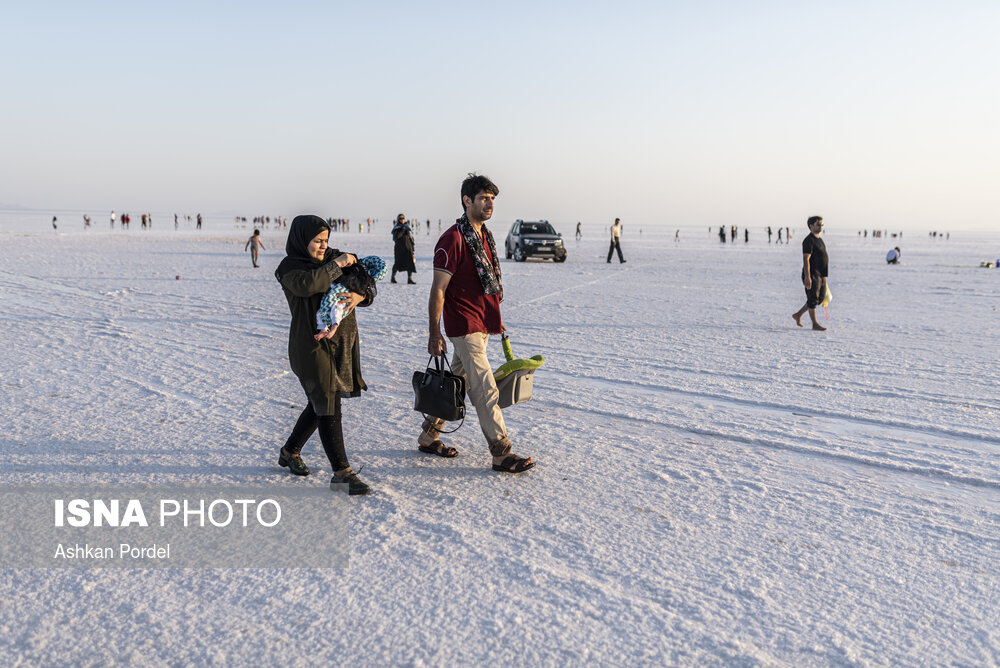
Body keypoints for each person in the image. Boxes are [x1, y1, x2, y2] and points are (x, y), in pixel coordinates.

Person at [417, 173, 535, 473]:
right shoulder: (453, 239)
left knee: (454, 385)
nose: (489, 204)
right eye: (483, 198)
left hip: (482, 324)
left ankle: (428, 436)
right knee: (485, 389)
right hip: (464, 326)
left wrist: (496, 318)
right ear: (467, 200)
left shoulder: (484, 236)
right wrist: (435, 331)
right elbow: (438, 289)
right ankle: (501, 452)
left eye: (492, 199)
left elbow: (485, 284)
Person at [274, 215, 373, 495]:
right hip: (310, 346)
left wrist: (360, 297)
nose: (323, 246)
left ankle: (290, 451)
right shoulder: (290, 268)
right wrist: (338, 264)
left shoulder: (334, 258)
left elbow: (367, 284)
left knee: (322, 400)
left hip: (341, 343)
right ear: (301, 240)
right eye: (317, 241)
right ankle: (342, 473)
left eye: (326, 240)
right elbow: (309, 285)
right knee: (328, 401)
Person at [314, 256, 386, 340]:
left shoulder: (361, 273)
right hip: (335, 289)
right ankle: (323, 329)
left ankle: (333, 328)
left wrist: (362, 296)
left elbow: (367, 292)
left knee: (337, 309)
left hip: (342, 295)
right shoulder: (353, 265)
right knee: (321, 313)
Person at [792, 216, 829, 331]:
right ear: (811, 226)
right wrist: (807, 277)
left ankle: (798, 314)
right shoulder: (808, 240)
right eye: (818, 224)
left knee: (820, 298)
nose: (820, 226)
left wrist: (825, 277)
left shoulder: (820, 239)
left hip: (821, 274)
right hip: (812, 273)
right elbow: (806, 259)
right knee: (812, 298)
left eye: (821, 224)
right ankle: (815, 324)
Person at [391, 213, 417, 284]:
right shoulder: (396, 228)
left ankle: (409, 279)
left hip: (408, 248)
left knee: (410, 263)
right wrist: (402, 230)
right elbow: (396, 237)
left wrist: (412, 248)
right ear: (398, 219)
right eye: (400, 218)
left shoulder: (407, 227)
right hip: (399, 248)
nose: (402, 220)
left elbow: (411, 238)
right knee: (397, 263)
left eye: (403, 218)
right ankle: (393, 278)